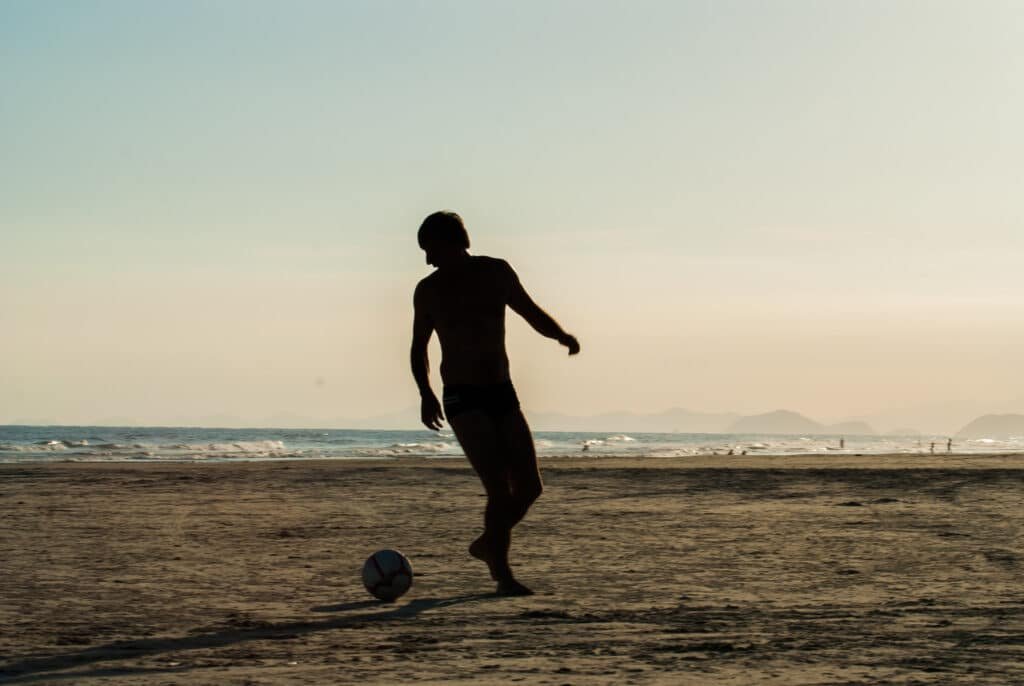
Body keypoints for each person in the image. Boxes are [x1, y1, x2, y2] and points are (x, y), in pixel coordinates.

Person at [410, 211, 580, 596]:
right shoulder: (429, 290)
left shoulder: (496, 272)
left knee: (531, 487)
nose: (427, 260)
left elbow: (530, 311)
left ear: (455, 242)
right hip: (461, 395)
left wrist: (561, 336)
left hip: (502, 391)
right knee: (499, 489)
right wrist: (425, 392)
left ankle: (489, 543)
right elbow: (419, 348)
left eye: (430, 250)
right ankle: (502, 575)